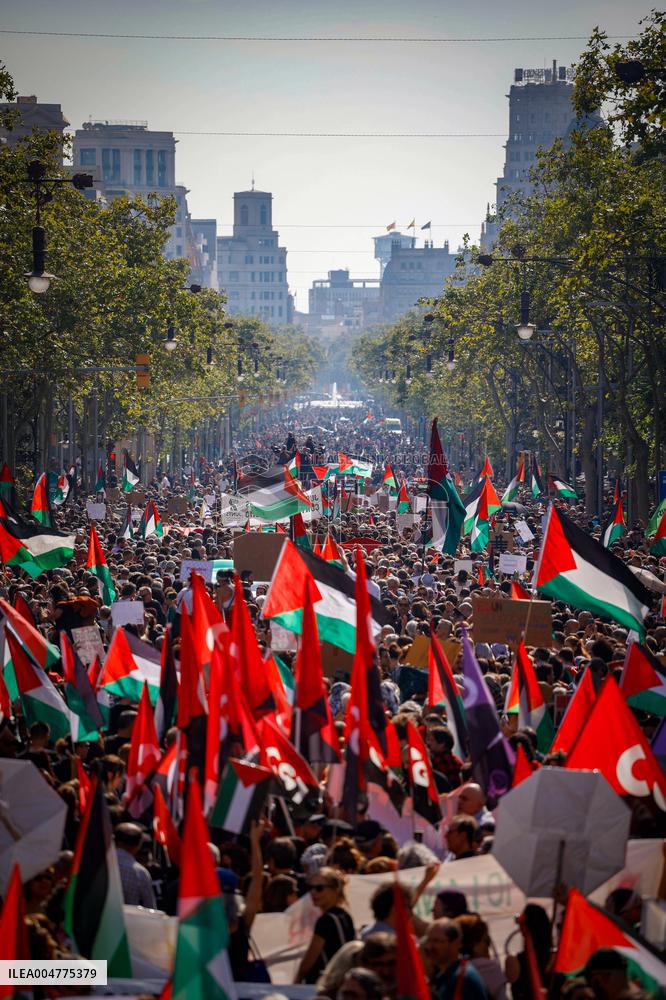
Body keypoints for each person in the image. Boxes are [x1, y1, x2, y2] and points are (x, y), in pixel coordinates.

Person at [295, 867, 356, 984]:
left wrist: (297, 981)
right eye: (310, 888)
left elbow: (308, 962)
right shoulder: (345, 915)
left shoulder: (326, 920)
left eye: (319, 888)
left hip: (325, 982)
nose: (313, 893)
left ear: (336, 889)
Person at [424, 919, 489, 1000]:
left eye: (436, 941)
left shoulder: (463, 979)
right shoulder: (441, 978)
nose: (428, 947)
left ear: (456, 943)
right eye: (428, 941)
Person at [114, 823, 157, 908]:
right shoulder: (141, 873)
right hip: (128, 920)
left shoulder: (98, 864)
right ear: (138, 845)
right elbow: (150, 908)